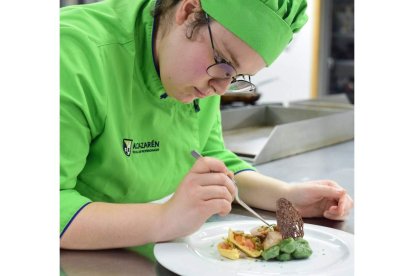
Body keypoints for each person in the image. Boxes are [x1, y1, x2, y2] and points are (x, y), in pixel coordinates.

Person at [60, 0, 353, 260]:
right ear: (189, 11)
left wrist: (284, 197)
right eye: (224, 63)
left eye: (237, 76)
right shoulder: (72, 56)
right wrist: (164, 219)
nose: (221, 88)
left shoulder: (202, 74)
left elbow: (211, 158)